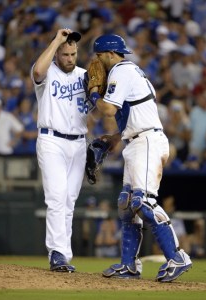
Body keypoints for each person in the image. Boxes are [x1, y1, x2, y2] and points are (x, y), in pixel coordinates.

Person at [88, 34, 192, 282]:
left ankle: (178, 257)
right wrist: (114, 139)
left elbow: (109, 110)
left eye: (100, 55)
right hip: (136, 140)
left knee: (143, 202)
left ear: (111, 54)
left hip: (146, 141)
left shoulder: (121, 71)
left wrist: (93, 92)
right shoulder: (130, 72)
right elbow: (134, 115)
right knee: (126, 204)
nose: (97, 61)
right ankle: (129, 265)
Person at [31, 28, 92, 272]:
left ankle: (64, 255)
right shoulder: (47, 72)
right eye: (65, 54)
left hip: (78, 143)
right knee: (56, 197)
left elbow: (97, 108)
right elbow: (36, 71)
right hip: (51, 140)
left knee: (69, 201)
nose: (70, 58)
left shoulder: (86, 75)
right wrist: (57, 40)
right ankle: (56, 252)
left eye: (73, 53)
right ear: (56, 54)